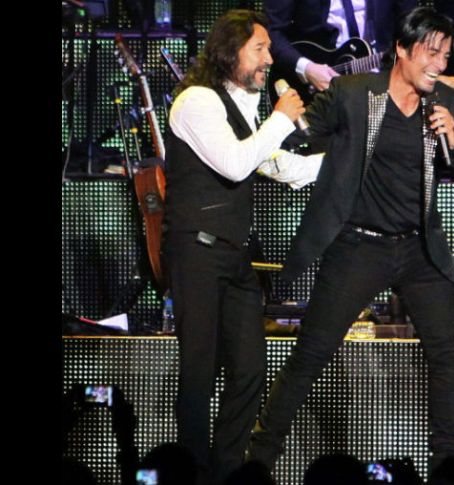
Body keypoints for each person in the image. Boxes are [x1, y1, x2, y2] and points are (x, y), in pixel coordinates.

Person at [247, 6, 454, 471]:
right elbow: (298, 138)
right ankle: (257, 461)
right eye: (429, 53)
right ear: (401, 49)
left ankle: (447, 469)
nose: (438, 64)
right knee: (311, 354)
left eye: (445, 55)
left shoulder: (445, 106)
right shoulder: (354, 94)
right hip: (359, 245)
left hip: (419, 248)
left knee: (445, 357)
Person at [161, 9, 322, 484]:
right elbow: (234, 164)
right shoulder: (196, 102)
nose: (270, 60)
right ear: (231, 51)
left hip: (233, 256)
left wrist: (344, 165)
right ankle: (190, 470)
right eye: (261, 49)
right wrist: (278, 118)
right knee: (200, 371)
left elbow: (278, 166)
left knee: (250, 369)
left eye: (270, 49)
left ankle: (227, 469)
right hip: (196, 252)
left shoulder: (246, 111)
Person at [264, 0, 416, 93]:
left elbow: (413, 24)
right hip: (321, 83)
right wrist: (306, 68)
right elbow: (273, 31)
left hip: (383, 77)